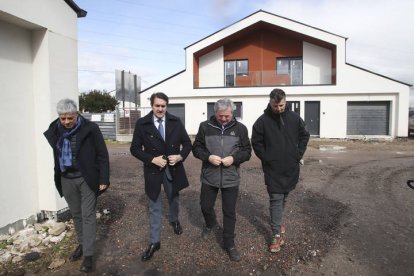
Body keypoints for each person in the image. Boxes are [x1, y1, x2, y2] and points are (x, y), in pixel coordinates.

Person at [44, 98, 110, 273]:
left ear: (77, 114)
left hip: (86, 178)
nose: (66, 122)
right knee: (76, 215)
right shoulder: (56, 130)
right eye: (62, 118)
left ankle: (88, 256)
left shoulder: (91, 129)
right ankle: (82, 244)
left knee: (88, 215)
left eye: (69, 118)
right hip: (66, 178)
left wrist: (104, 178)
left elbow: (102, 155)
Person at [130, 92, 192, 261]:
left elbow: (187, 144)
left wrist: (180, 156)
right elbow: (134, 149)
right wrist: (151, 159)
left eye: (163, 106)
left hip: (173, 169)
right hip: (153, 170)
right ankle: (154, 241)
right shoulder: (142, 124)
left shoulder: (175, 122)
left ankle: (174, 219)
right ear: (152, 105)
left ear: (167, 106)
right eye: (157, 105)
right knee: (154, 205)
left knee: (174, 197)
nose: (160, 109)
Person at [192, 98, 252, 262]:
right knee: (205, 206)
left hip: (231, 177)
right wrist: (208, 156)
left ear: (232, 112)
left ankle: (229, 243)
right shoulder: (205, 126)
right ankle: (210, 224)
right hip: (209, 175)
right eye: (221, 116)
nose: (224, 119)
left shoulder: (240, 128)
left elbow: (247, 151)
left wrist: (234, 158)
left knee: (229, 211)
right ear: (215, 113)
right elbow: (196, 148)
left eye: (227, 116)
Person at [251, 88, 310, 253]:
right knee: (275, 198)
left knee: (284, 195)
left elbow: (305, 135)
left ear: (285, 101)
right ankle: (276, 234)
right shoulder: (262, 122)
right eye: (276, 106)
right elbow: (256, 142)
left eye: (281, 105)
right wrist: (266, 157)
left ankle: (277, 221)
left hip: (291, 166)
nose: (279, 109)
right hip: (273, 169)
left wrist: (298, 154)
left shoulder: (295, 118)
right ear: (270, 102)